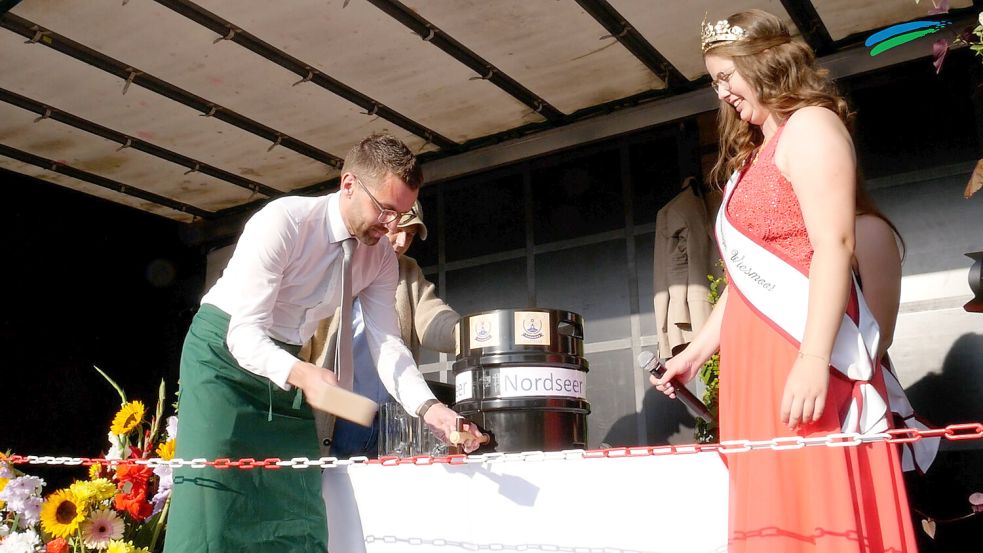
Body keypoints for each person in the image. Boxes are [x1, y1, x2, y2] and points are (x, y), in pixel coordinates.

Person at [653, 11, 918, 552]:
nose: (721, 92)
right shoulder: (754, 156)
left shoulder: (813, 126)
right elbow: (745, 287)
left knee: (817, 506)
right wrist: (695, 355)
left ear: (767, 65)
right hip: (759, 361)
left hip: (799, 351)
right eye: (714, 81)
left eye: (726, 76)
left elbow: (834, 248)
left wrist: (814, 359)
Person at [164, 134, 480, 553]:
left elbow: (389, 345)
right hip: (221, 360)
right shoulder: (284, 222)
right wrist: (303, 374)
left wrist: (431, 409)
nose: (392, 228)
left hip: (290, 367)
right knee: (214, 509)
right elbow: (243, 334)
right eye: (385, 210)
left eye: (401, 216)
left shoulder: (381, 259)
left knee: (299, 504)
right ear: (348, 184)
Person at [301, 201, 460, 458]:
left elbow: (432, 318)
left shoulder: (407, 270)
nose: (400, 242)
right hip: (337, 412)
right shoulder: (332, 261)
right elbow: (298, 338)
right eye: (397, 230)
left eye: (409, 235)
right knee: (330, 494)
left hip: (390, 418)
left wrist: (475, 333)